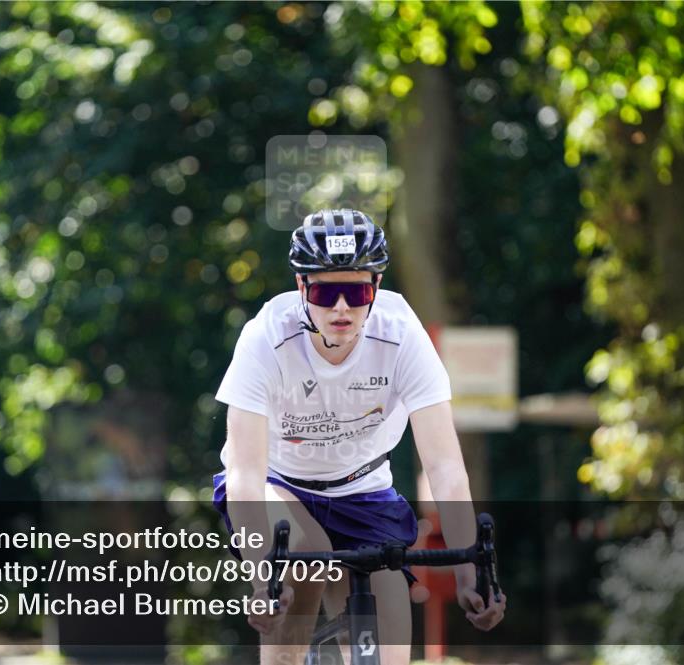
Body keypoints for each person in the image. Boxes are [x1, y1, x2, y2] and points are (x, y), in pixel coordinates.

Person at [211, 209, 506, 665]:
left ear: (377, 288)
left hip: (365, 493)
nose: (342, 308)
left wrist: (470, 574)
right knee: (307, 557)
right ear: (301, 288)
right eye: (327, 292)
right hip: (278, 485)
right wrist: (261, 576)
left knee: (389, 653)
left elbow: (446, 469)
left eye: (357, 291)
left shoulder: (402, 336)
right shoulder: (265, 338)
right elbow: (246, 475)